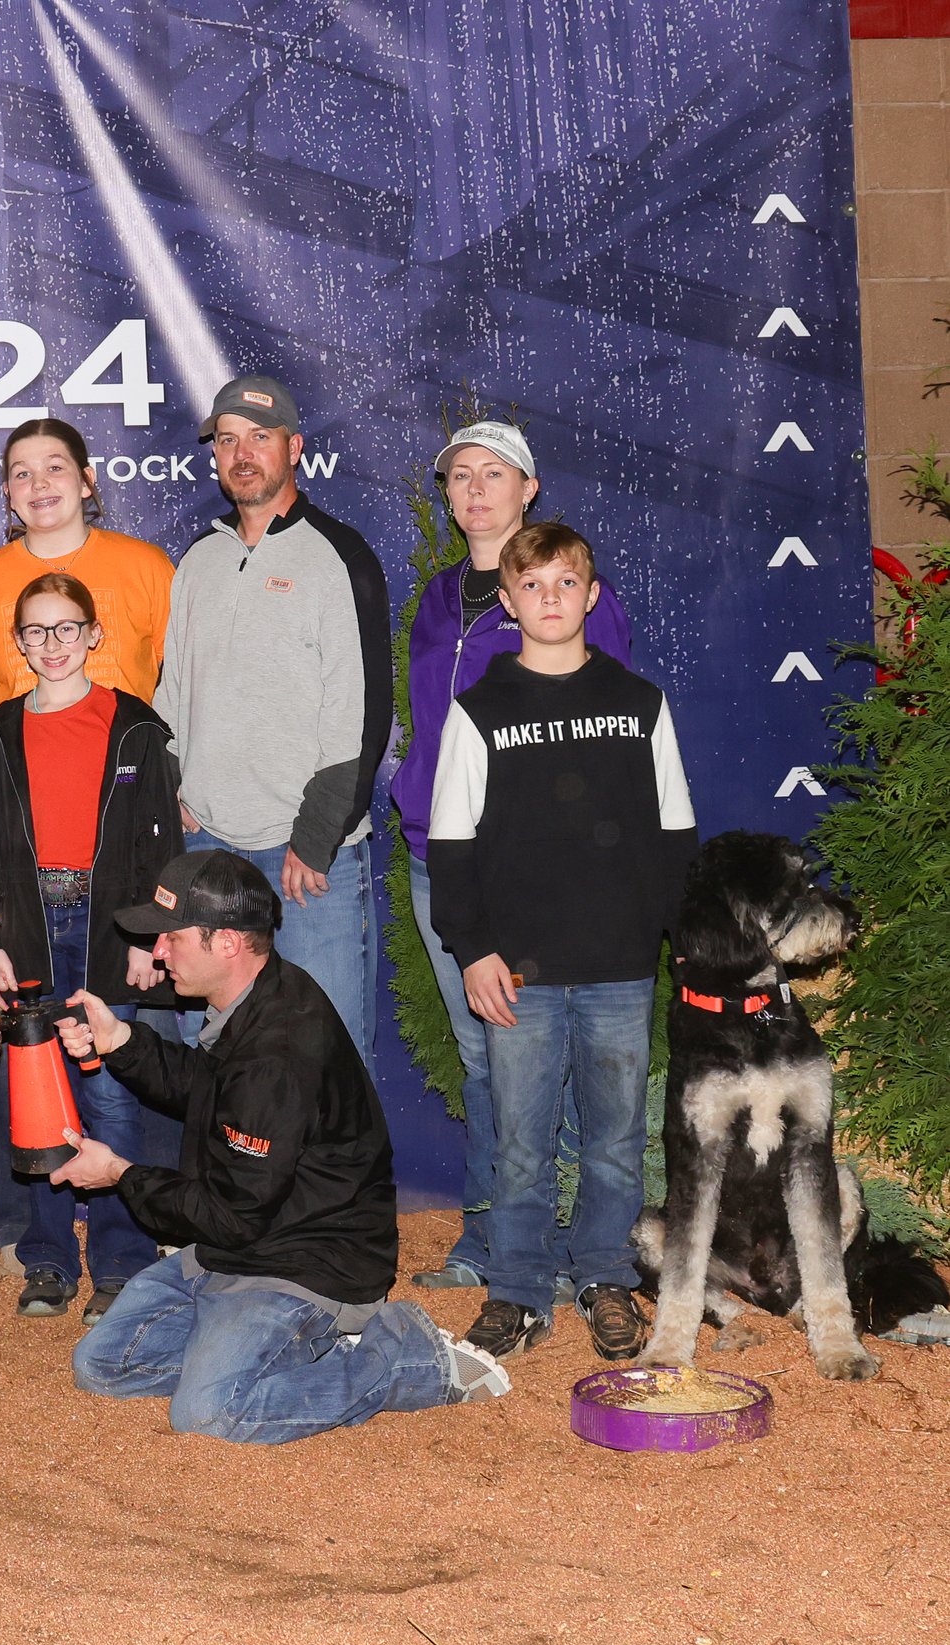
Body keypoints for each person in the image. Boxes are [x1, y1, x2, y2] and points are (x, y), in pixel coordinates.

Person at [52, 850, 512, 1442]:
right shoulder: (257, 996)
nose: (158, 951)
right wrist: (120, 1042)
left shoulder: (278, 1051)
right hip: (240, 1246)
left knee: (210, 1413)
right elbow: (208, 1090)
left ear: (227, 945)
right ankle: (280, 1351)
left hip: (305, 1262)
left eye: (173, 937)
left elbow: (232, 1213)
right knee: (102, 1366)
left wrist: (119, 1174)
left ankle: (411, 1359)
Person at [429, 523, 696, 1364]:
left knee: (616, 1136)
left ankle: (605, 1276)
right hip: (518, 973)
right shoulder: (478, 713)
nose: (550, 598)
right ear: (507, 602)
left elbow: (675, 837)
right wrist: (473, 950)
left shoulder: (641, 703)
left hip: (619, 968)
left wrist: (672, 945)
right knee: (519, 1136)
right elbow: (450, 846)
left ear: (591, 593)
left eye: (565, 582)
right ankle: (515, 1288)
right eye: (532, 585)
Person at [389, 422, 634, 1296]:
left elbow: (611, 729)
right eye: (460, 475)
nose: (475, 488)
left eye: (495, 473)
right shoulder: (437, 595)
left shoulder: (570, 593)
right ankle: (493, 1234)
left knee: (546, 1052)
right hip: (439, 857)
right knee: (482, 1051)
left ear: (529, 488)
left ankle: (570, 1240)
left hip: (533, 864)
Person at [0, 573, 181, 1324]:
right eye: (36, 632)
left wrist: (151, 935)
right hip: (25, 927)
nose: (52, 645)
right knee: (37, 1093)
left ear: (93, 634)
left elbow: (162, 849)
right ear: (17, 643)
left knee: (112, 1091)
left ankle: (120, 1260)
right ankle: (47, 1260)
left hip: (112, 927)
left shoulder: (137, 728)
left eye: (65, 628)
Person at [157, 375, 390, 1072]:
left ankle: (340, 1189)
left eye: (259, 437)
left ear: (295, 447)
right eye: (227, 440)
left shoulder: (339, 557)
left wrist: (314, 840)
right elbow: (172, 696)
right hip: (212, 855)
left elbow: (363, 712)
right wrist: (175, 792)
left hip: (303, 864)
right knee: (222, 1063)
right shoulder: (198, 560)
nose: (242, 453)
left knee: (324, 1062)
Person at [0, 417, 173, 706]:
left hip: (127, 747)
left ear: (85, 481)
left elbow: (187, 678)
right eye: (22, 474)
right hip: (19, 749)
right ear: (9, 495)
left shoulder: (146, 565)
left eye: (55, 468)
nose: (39, 484)